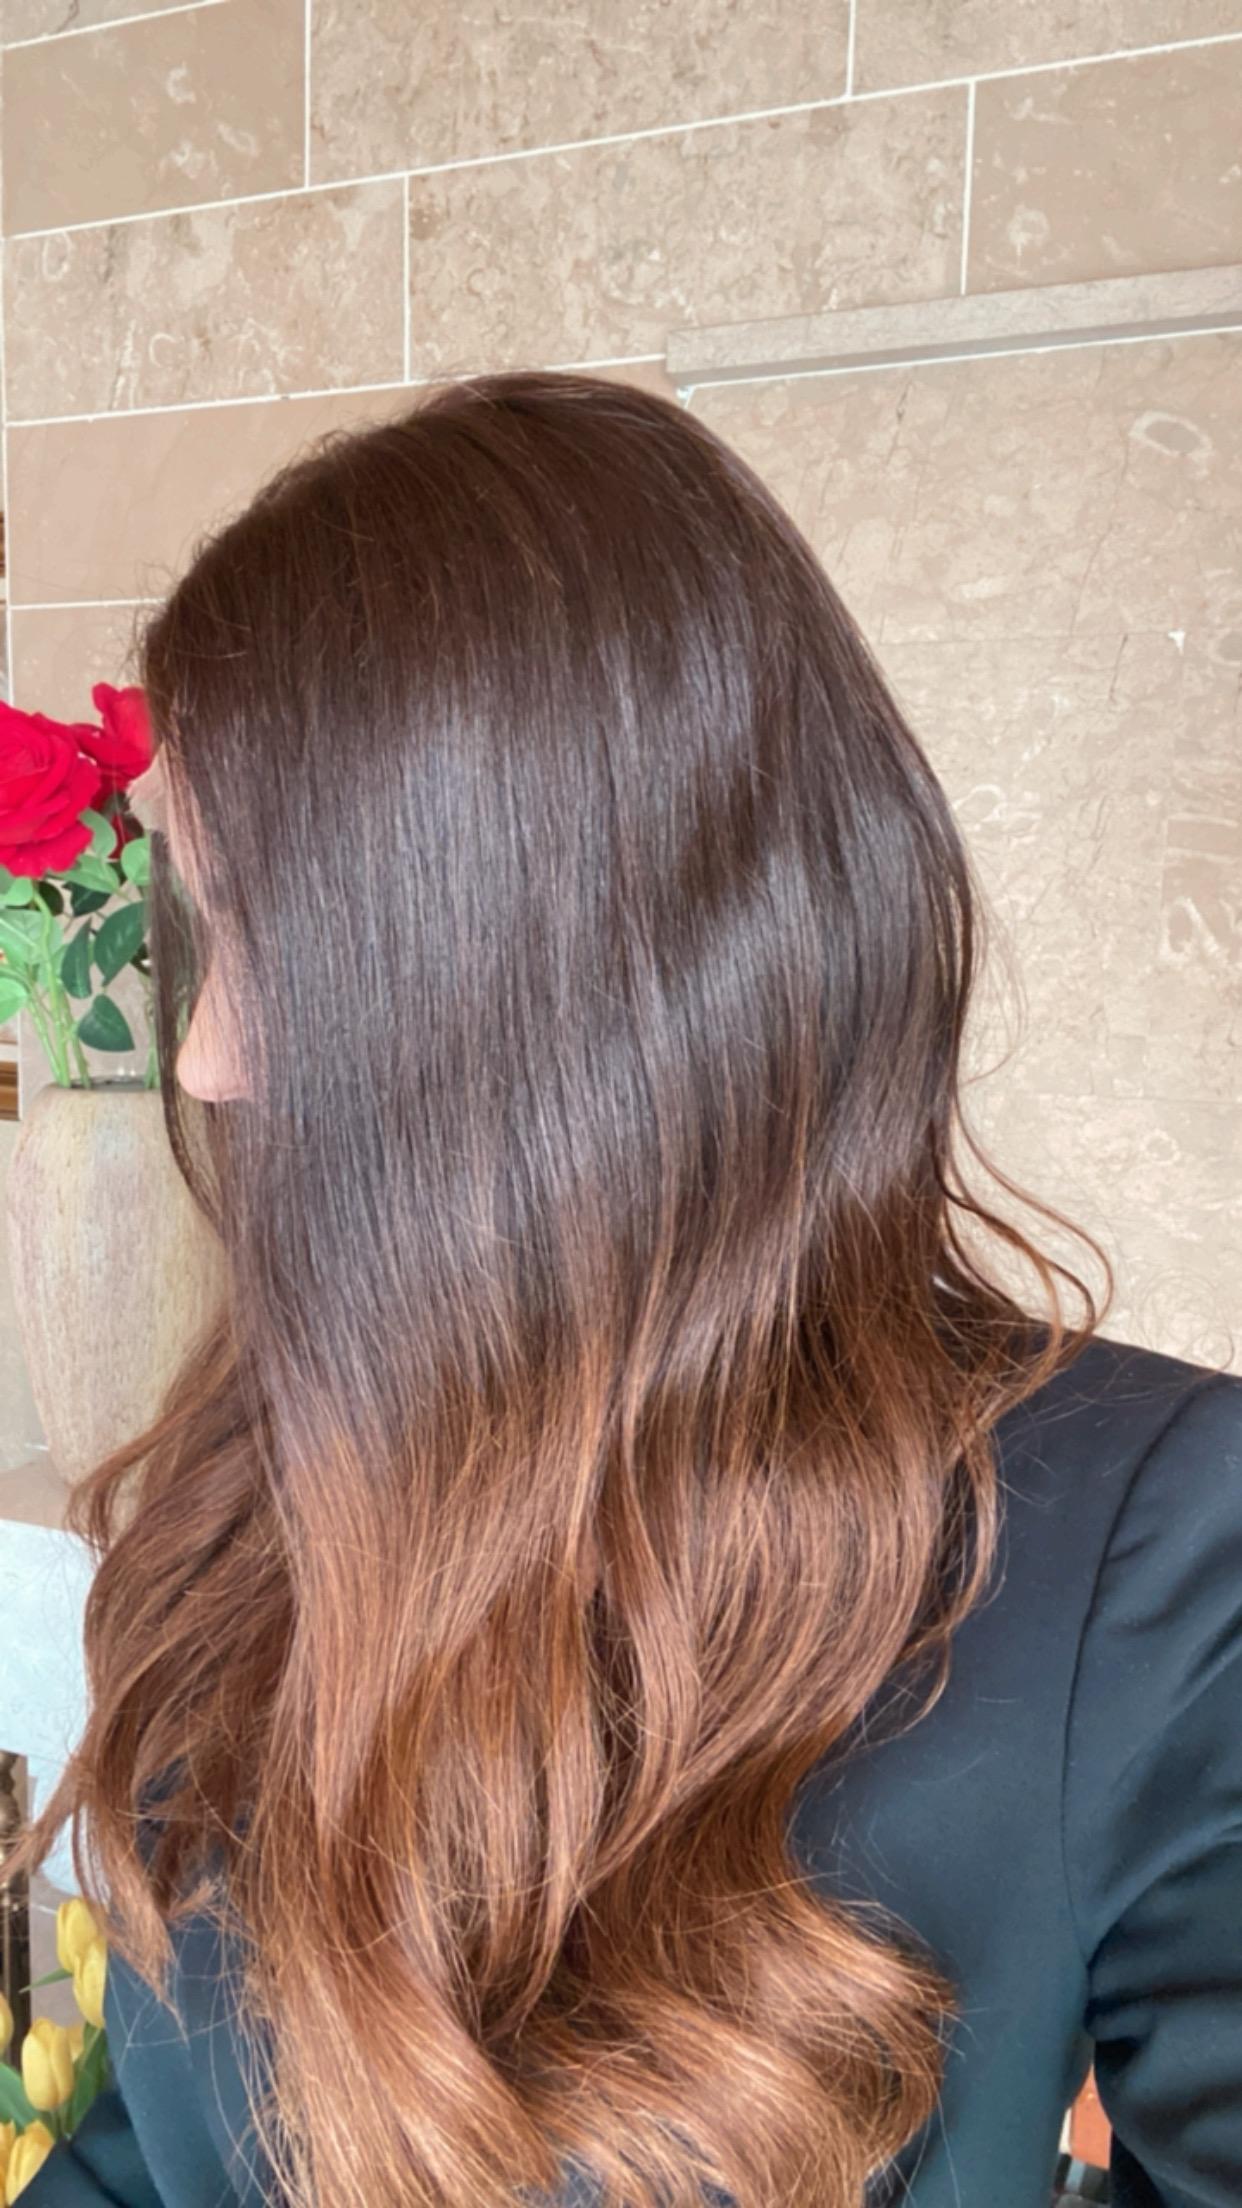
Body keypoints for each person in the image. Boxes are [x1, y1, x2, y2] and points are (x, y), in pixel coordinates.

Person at [6, 370, 1239, 2208]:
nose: (208, 1061)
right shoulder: (256, 1481)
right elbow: (145, 2144)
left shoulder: (1147, 1545)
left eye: (260, 936)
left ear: (532, 977)